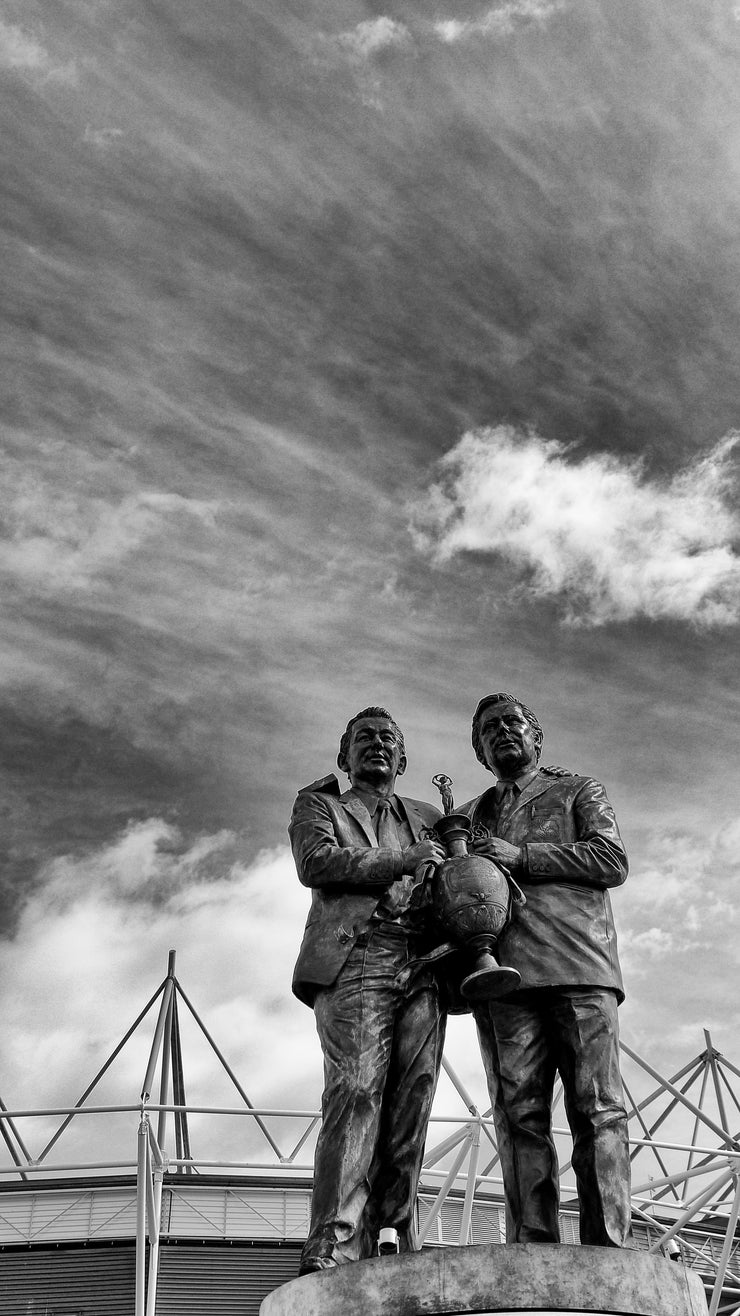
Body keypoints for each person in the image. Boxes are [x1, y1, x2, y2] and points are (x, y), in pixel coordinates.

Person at [462, 692, 632, 1248]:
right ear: (480, 749)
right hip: (504, 979)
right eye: (490, 729)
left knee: (597, 1108)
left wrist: (523, 855)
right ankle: (534, 1242)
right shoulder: (467, 815)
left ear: (537, 736)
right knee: (518, 1116)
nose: (503, 732)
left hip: (579, 964)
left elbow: (610, 859)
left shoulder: (578, 789)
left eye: (513, 723)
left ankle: (608, 1244)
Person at [290, 706, 447, 1274]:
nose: (377, 745)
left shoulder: (429, 816)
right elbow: (318, 862)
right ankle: (333, 1242)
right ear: (344, 756)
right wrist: (402, 861)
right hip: (358, 956)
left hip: (423, 962)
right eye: (364, 738)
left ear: (403, 758)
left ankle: (393, 1234)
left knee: (414, 1099)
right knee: (356, 1091)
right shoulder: (320, 804)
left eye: (388, 739)